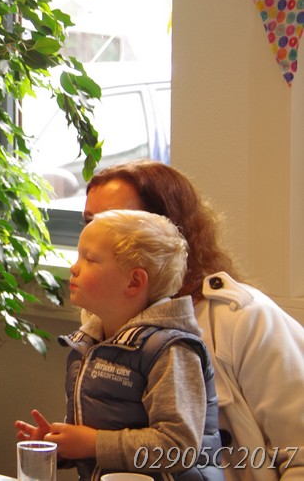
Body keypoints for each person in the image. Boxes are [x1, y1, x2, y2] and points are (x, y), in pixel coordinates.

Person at [81, 161, 304, 481]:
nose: (93, 235)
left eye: (115, 222)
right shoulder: (99, 319)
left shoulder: (241, 318)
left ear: (166, 231)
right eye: (89, 222)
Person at [16, 209, 223, 481]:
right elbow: (101, 435)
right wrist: (63, 444)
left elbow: (178, 447)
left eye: (89, 259)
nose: (74, 268)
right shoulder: (89, 346)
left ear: (134, 281)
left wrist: (93, 443)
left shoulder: (170, 351)